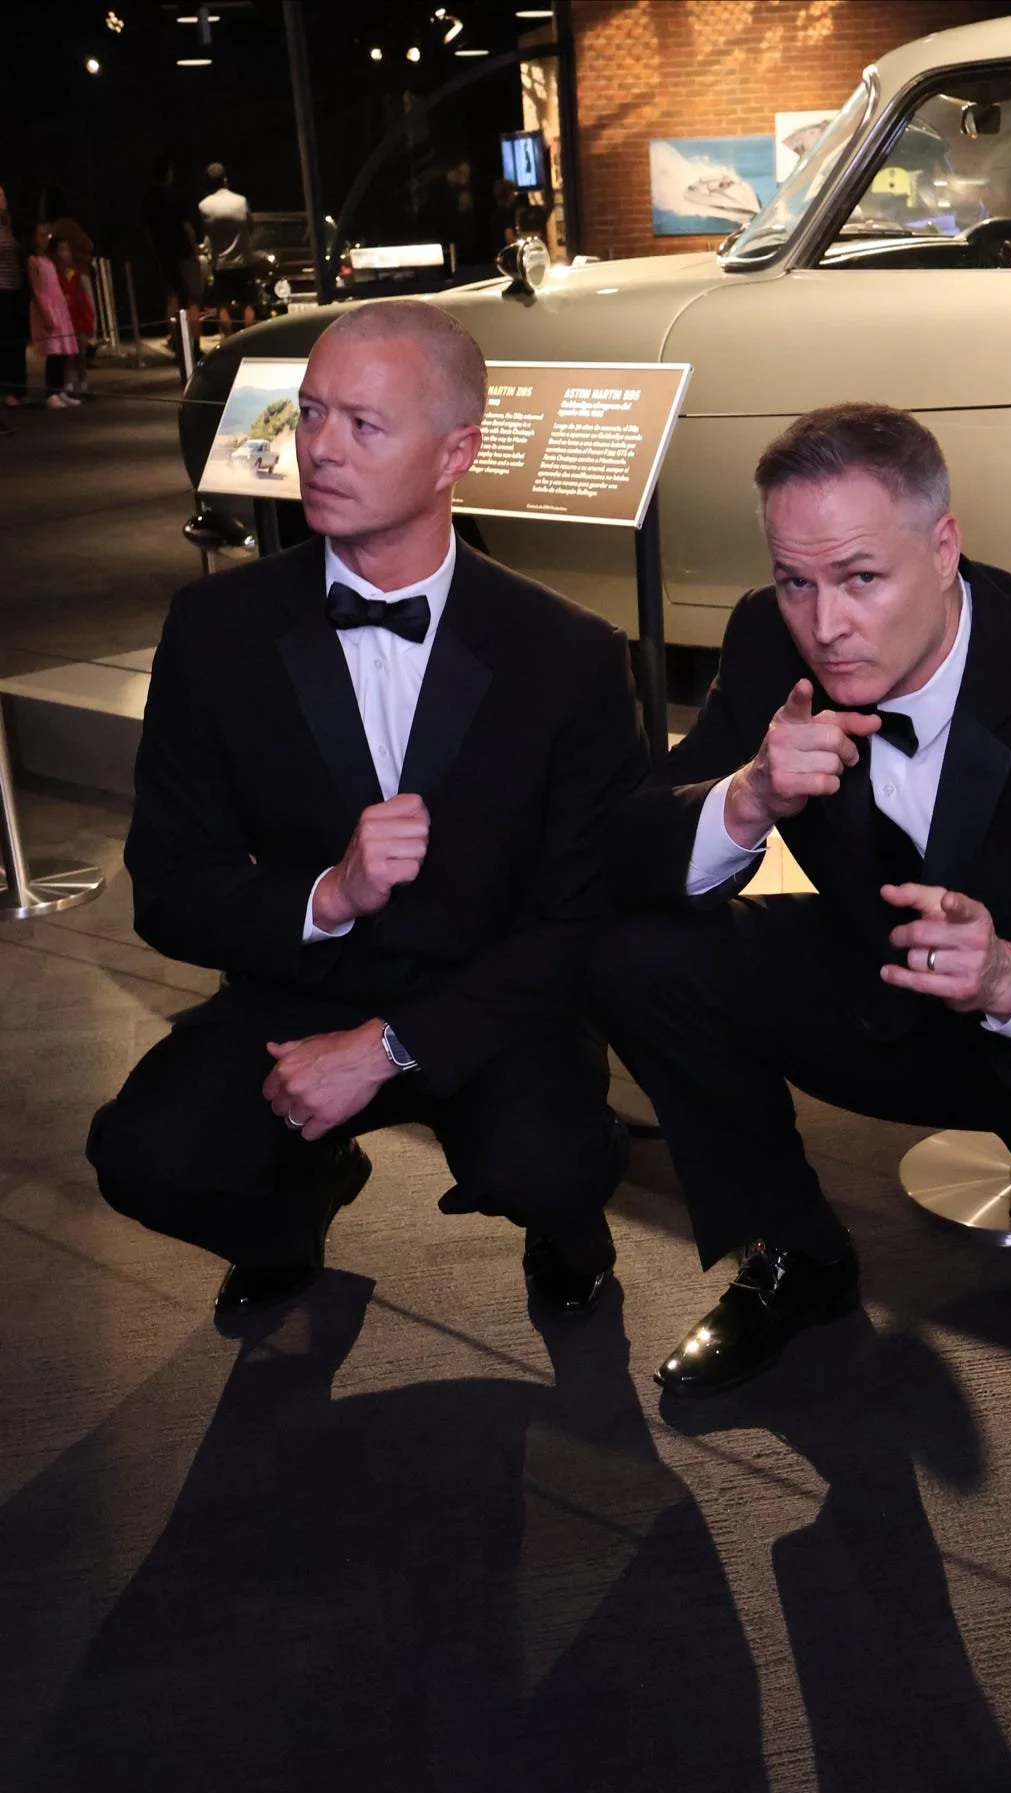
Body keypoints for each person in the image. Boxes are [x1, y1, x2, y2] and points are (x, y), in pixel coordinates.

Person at [595, 403, 1011, 1394]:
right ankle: (797, 1254)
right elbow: (629, 841)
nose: (825, 624)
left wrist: (1005, 975)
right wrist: (749, 794)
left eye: (860, 577)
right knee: (635, 954)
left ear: (943, 549)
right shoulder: (771, 638)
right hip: (876, 983)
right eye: (793, 580)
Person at [87, 299, 647, 1325]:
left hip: (494, 1002)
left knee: (546, 1158)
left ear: (454, 454)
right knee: (144, 1154)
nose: (318, 450)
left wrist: (390, 1043)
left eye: (362, 424)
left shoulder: (567, 653)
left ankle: (569, 1224)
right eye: (308, 415)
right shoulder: (215, 630)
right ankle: (293, 1211)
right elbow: (168, 887)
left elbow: (582, 924)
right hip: (294, 992)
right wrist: (326, 896)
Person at [142, 155, 202, 360]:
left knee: (171, 300)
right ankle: (194, 346)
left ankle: (178, 345)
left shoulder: (149, 199)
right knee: (192, 301)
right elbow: (186, 227)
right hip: (183, 254)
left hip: (163, 256)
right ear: (169, 172)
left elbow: (148, 232)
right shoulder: (176, 196)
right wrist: (195, 248)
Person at [199, 161, 254, 335]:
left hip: (220, 264)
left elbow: (206, 233)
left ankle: (229, 341)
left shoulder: (203, 206)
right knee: (248, 304)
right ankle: (250, 341)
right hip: (243, 261)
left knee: (222, 305)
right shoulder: (241, 201)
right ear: (225, 180)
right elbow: (250, 226)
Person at [26, 224, 79, 408]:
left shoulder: (48, 260)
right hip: (47, 307)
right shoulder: (33, 261)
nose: (45, 239)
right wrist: (44, 312)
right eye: (41, 235)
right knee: (54, 350)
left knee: (62, 350)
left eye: (46, 235)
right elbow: (36, 289)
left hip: (58, 306)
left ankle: (59, 390)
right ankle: (51, 393)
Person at [51, 235, 95, 395]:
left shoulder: (76, 275)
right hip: (64, 322)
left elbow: (84, 300)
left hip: (78, 321)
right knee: (68, 355)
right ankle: (68, 382)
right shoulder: (55, 275)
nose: (66, 254)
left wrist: (88, 321)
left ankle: (83, 381)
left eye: (68, 249)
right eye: (62, 250)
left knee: (80, 354)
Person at [0, 184, 25, 407]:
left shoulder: (8, 227)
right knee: (5, 342)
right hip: (1, 290)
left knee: (16, 341)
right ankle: (7, 391)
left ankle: (16, 389)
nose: (2, 201)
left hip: (14, 288)